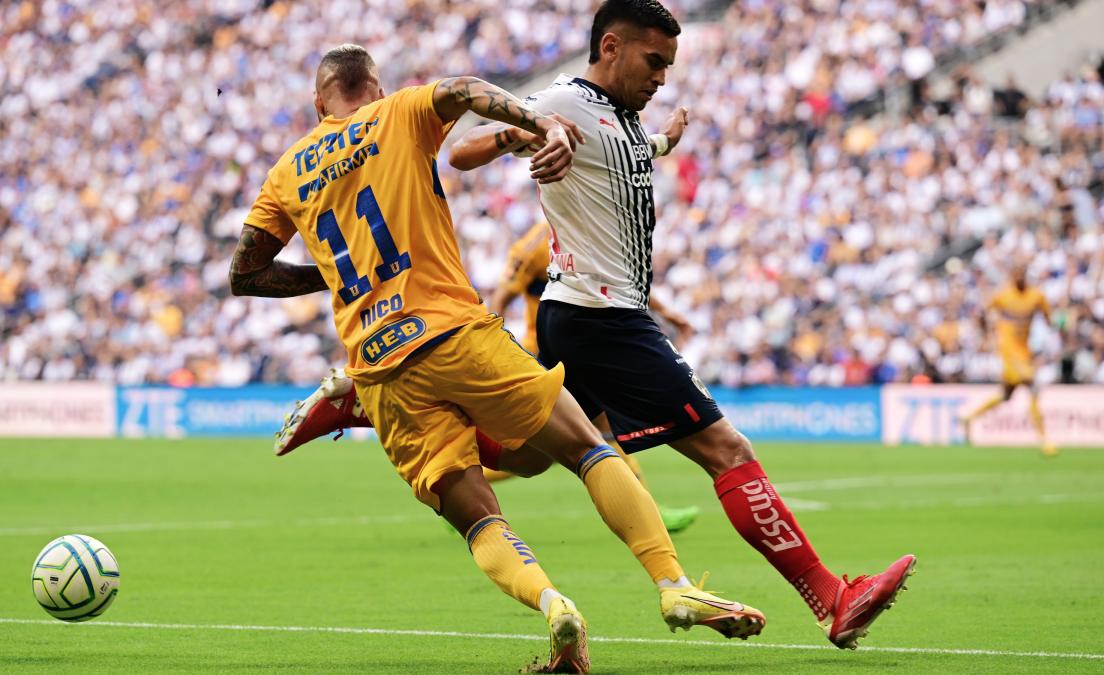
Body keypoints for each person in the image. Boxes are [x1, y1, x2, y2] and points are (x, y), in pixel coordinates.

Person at [277, 1, 916, 651]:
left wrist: (668, 139)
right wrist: (529, 134)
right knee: (727, 449)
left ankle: (360, 405)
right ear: (610, 47)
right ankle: (829, 596)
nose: (663, 75)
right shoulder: (568, 100)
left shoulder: (627, 121)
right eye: (653, 60)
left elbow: (632, 152)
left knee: (529, 455)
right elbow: (466, 152)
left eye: (669, 64)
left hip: (593, 314)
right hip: (598, 315)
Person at [233, 44, 765, 673]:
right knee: (587, 447)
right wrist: (546, 125)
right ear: (373, 89)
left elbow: (247, 274)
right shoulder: (397, 112)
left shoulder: (288, 172)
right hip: (454, 329)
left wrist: (335, 273)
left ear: (318, 102)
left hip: (380, 367)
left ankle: (552, 605)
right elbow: (461, 88)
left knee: (479, 518)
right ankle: (673, 585)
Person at [488, 220, 701, 532]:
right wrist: (499, 343)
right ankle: (473, 484)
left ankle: (647, 510)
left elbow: (621, 280)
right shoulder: (535, 243)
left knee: (590, 434)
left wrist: (667, 312)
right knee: (550, 446)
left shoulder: (590, 226)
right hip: (548, 351)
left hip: (584, 347)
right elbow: (504, 293)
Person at [961, 266, 1056, 456]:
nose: (1019, 278)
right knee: (1032, 387)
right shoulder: (1004, 295)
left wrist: (1050, 324)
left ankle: (968, 417)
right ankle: (1045, 440)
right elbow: (980, 312)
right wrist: (986, 334)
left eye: (1022, 275)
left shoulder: (1036, 296)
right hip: (1008, 352)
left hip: (1024, 352)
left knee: (1006, 395)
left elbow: (1048, 317)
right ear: (1012, 277)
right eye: (1016, 275)